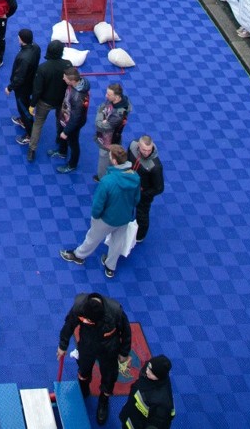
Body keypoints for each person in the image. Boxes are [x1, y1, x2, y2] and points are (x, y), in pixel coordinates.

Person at [61, 144, 141, 280]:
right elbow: (136, 200)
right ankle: (110, 267)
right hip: (124, 217)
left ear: (114, 161)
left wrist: (96, 217)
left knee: (92, 238)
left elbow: (98, 204)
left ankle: (79, 255)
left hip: (107, 219)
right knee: (117, 242)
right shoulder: (135, 177)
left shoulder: (107, 181)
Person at [57, 291, 132, 426]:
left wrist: (124, 352)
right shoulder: (79, 307)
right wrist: (63, 345)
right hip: (87, 346)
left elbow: (126, 332)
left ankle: (104, 400)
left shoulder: (115, 311)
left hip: (109, 349)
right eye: (88, 320)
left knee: (109, 376)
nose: (89, 322)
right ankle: (83, 389)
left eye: (92, 321)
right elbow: (69, 325)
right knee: (83, 370)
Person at [22, 38, 69, 160]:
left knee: (38, 124)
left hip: (44, 101)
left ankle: (32, 150)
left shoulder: (43, 68)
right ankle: (60, 138)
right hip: (62, 101)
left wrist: (32, 105)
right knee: (61, 121)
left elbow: (37, 89)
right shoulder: (67, 64)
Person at [49, 67, 90, 173]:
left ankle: (72, 164)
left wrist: (67, 131)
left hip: (73, 123)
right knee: (63, 136)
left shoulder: (77, 97)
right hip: (65, 118)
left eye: (65, 77)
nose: (63, 78)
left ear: (72, 81)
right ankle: (62, 152)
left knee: (73, 143)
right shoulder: (74, 85)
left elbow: (76, 117)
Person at [118, 355, 175, 428]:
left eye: (151, 372)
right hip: (130, 414)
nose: (147, 371)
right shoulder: (150, 369)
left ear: (158, 376)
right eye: (148, 367)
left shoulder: (161, 405)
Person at [128, 135, 165, 242]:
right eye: (144, 149)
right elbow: (127, 160)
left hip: (143, 194)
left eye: (149, 150)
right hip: (130, 185)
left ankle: (140, 236)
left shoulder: (156, 166)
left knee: (142, 215)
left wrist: (143, 194)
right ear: (138, 146)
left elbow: (159, 188)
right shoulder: (132, 146)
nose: (146, 152)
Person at [5, 28, 40, 138]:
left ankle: (30, 134)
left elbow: (19, 77)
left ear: (22, 40)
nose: (17, 38)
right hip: (31, 81)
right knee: (25, 104)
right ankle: (23, 119)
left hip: (22, 88)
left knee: (24, 109)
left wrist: (10, 88)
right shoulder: (36, 47)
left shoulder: (24, 57)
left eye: (19, 37)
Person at [94, 83, 132, 179]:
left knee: (104, 157)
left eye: (109, 95)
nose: (106, 96)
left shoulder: (118, 114)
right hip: (112, 136)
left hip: (109, 139)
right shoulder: (119, 100)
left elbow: (100, 126)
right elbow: (102, 106)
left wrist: (100, 117)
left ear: (117, 97)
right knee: (111, 156)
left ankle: (101, 178)